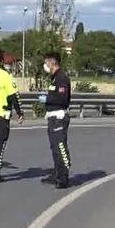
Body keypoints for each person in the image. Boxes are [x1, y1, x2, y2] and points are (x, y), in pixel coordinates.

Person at [40, 53, 72, 188]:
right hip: (52, 117)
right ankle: (57, 174)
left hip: (59, 117)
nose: (45, 66)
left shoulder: (61, 78)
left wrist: (46, 99)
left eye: (46, 63)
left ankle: (63, 177)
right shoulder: (54, 78)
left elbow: (62, 99)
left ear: (52, 63)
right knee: (54, 148)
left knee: (60, 147)